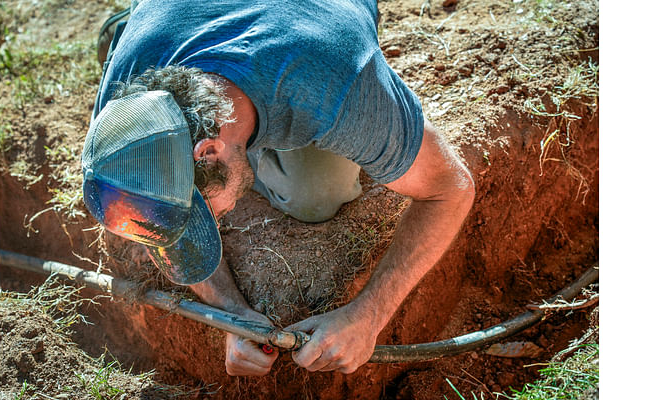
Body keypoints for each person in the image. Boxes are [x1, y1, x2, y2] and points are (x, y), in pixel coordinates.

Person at [82, 0, 475, 376]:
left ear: (209, 152)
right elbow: (152, 215)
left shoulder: (333, 86)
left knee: (317, 194)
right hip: (174, 22)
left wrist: (368, 314)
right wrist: (231, 312)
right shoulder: (128, 104)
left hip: (307, 30)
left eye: (207, 214)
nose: (217, 220)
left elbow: (450, 187)